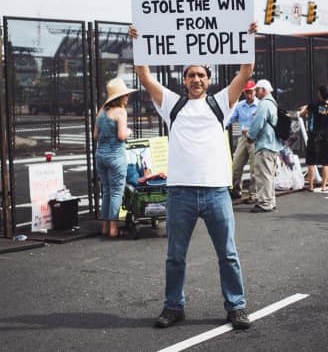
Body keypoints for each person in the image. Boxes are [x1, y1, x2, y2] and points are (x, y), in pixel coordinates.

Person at [129, 22, 255, 331]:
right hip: (180, 193)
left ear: (209, 80)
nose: (196, 79)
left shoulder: (220, 103)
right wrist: (138, 43)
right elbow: (144, 75)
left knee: (228, 254)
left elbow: (245, 72)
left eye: (201, 74)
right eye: (191, 75)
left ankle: (236, 306)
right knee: (175, 256)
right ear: (184, 80)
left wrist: (249, 36)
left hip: (215, 193)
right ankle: (174, 306)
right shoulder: (173, 104)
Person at [93, 77, 136, 238]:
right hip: (116, 157)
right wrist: (129, 131)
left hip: (101, 156)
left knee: (106, 192)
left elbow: (95, 135)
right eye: (125, 95)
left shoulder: (102, 111)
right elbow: (121, 135)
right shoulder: (121, 112)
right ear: (119, 97)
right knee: (117, 192)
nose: (127, 97)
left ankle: (105, 227)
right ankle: (113, 229)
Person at [246, 79, 283, 211]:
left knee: (263, 175)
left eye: (257, 90)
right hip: (273, 144)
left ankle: (264, 203)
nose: (255, 93)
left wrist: (250, 136)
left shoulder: (264, 104)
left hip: (264, 143)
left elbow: (258, 122)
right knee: (269, 175)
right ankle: (270, 201)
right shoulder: (273, 104)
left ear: (263, 90)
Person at [226, 80, 259, 200]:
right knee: (236, 166)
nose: (249, 95)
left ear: (255, 91)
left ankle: (253, 194)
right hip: (243, 138)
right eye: (246, 93)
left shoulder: (260, 106)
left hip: (255, 138)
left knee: (254, 168)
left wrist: (250, 129)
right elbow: (230, 119)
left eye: (251, 92)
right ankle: (236, 191)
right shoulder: (240, 106)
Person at [298, 84, 328, 191]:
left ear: (320, 94)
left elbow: (301, 114)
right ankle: (323, 186)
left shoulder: (313, 105)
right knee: (326, 162)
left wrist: (305, 108)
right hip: (326, 136)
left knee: (311, 161)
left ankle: (311, 186)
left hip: (313, 135)